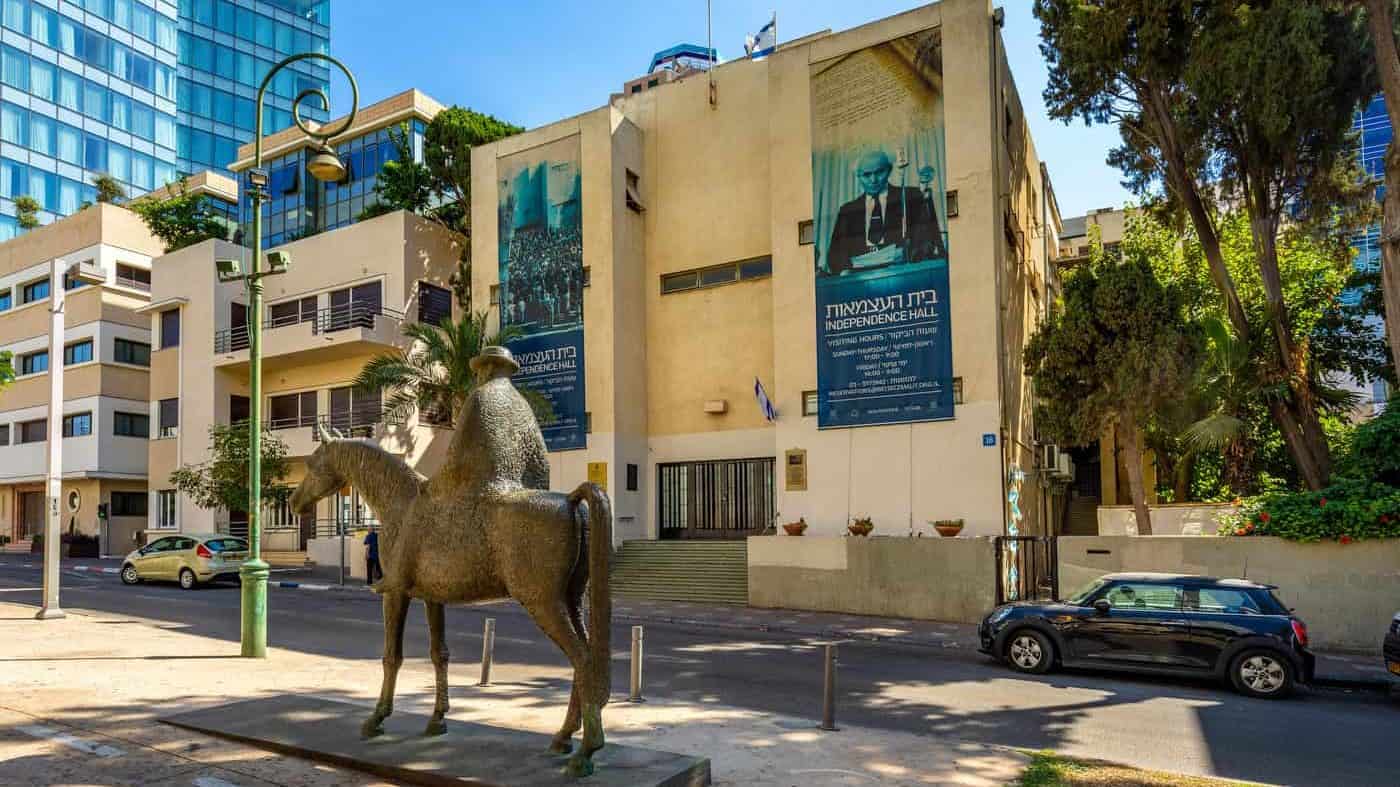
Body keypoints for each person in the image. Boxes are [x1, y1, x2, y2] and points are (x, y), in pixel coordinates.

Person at [824, 149, 946, 275]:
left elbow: (927, 238)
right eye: (866, 175)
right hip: (861, 280)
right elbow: (834, 254)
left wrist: (909, 255)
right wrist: (845, 271)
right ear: (858, 177)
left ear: (889, 170)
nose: (873, 180)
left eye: (879, 172)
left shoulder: (910, 196)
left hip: (903, 274)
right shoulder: (847, 210)